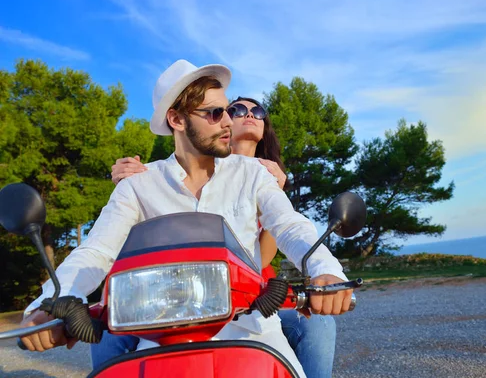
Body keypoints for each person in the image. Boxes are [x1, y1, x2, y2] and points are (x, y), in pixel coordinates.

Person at [18, 60, 352, 378]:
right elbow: (97, 251)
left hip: (254, 332)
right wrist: (50, 303)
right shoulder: (139, 184)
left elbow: (289, 225)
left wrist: (325, 271)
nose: (228, 122)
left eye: (227, 111)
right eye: (215, 112)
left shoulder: (252, 173)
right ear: (177, 120)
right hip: (160, 337)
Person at [102, 96, 337, 378]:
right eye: (233, 110)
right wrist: (128, 183)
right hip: (176, 298)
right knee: (106, 330)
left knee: (318, 324)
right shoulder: (154, 176)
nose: (245, 116)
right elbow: (110, 243)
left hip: (255, 298)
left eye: (258, 111)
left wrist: (324, 269)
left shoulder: (264, 175)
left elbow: (282, 235)